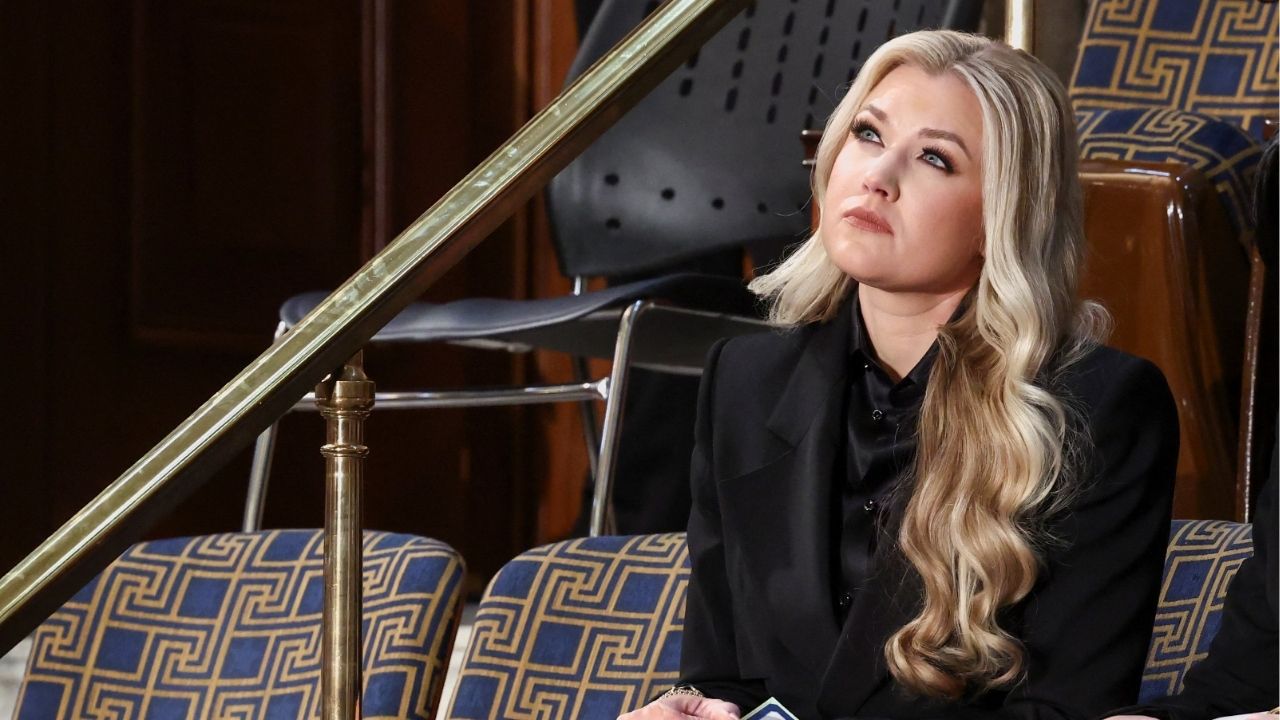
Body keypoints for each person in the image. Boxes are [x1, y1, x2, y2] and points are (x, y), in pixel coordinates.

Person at [621, 30, 1178, 720]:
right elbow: (723, 674)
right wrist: (684, 707)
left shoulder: (1097, 407)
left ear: (1002, 212)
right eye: (868, 134)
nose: (876, 177)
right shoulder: (744, 380)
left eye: (936, 159)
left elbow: (1067, 708)